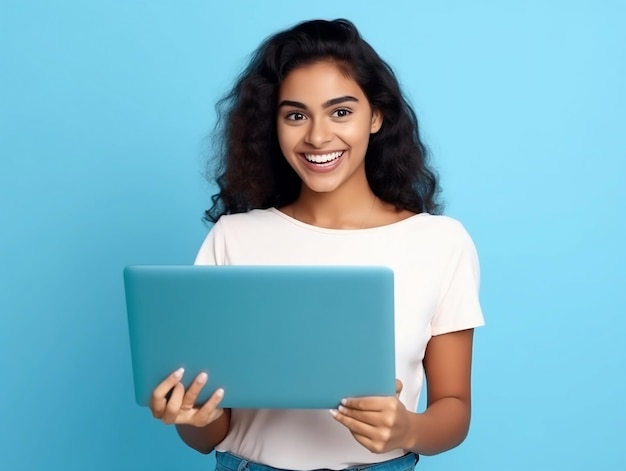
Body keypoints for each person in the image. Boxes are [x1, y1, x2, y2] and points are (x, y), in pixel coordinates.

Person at [149, 18, 484, 471]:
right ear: (275, 125)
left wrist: (408, 429)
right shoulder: (234, 238)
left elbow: (455, 408)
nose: (318, 136)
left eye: (340, 111)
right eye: (296, 115)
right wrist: (188, 417)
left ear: (377, 117)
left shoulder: (441, 243)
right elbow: (211, 434)